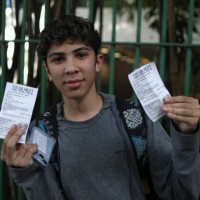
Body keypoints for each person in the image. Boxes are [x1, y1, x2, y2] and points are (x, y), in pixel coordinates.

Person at [1, 14, 200, 200]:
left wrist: (187, 136)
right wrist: (26, 173)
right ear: (48, 71)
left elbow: (181, 193)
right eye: (58, 59)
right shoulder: (40, 133)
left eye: (80, 55)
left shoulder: (136, 118)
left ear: (97, 62)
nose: (71, 68)